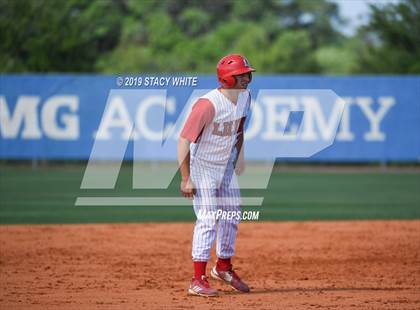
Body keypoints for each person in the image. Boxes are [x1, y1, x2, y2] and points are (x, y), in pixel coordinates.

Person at [177, 54, 255, 297]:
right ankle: (197, 279)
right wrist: (186, 178)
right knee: (209, 219)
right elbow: (183, 141)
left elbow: (239, 130)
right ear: (227, 79)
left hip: (225, 167)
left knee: (231, 214)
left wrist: (239, 156)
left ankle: (223, 267)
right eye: (240, 75)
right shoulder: (207, 104)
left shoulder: (245, 98)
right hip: (202, 167)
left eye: (246, 73)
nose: (246, 78)